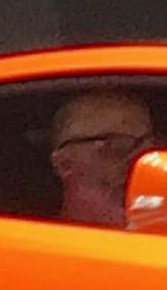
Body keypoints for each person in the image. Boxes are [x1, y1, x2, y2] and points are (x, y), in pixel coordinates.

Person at [47, 88, 155, 228]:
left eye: (149, 147)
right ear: (64, 164)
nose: (141, 161)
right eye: (116, 145)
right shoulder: (36, 239)